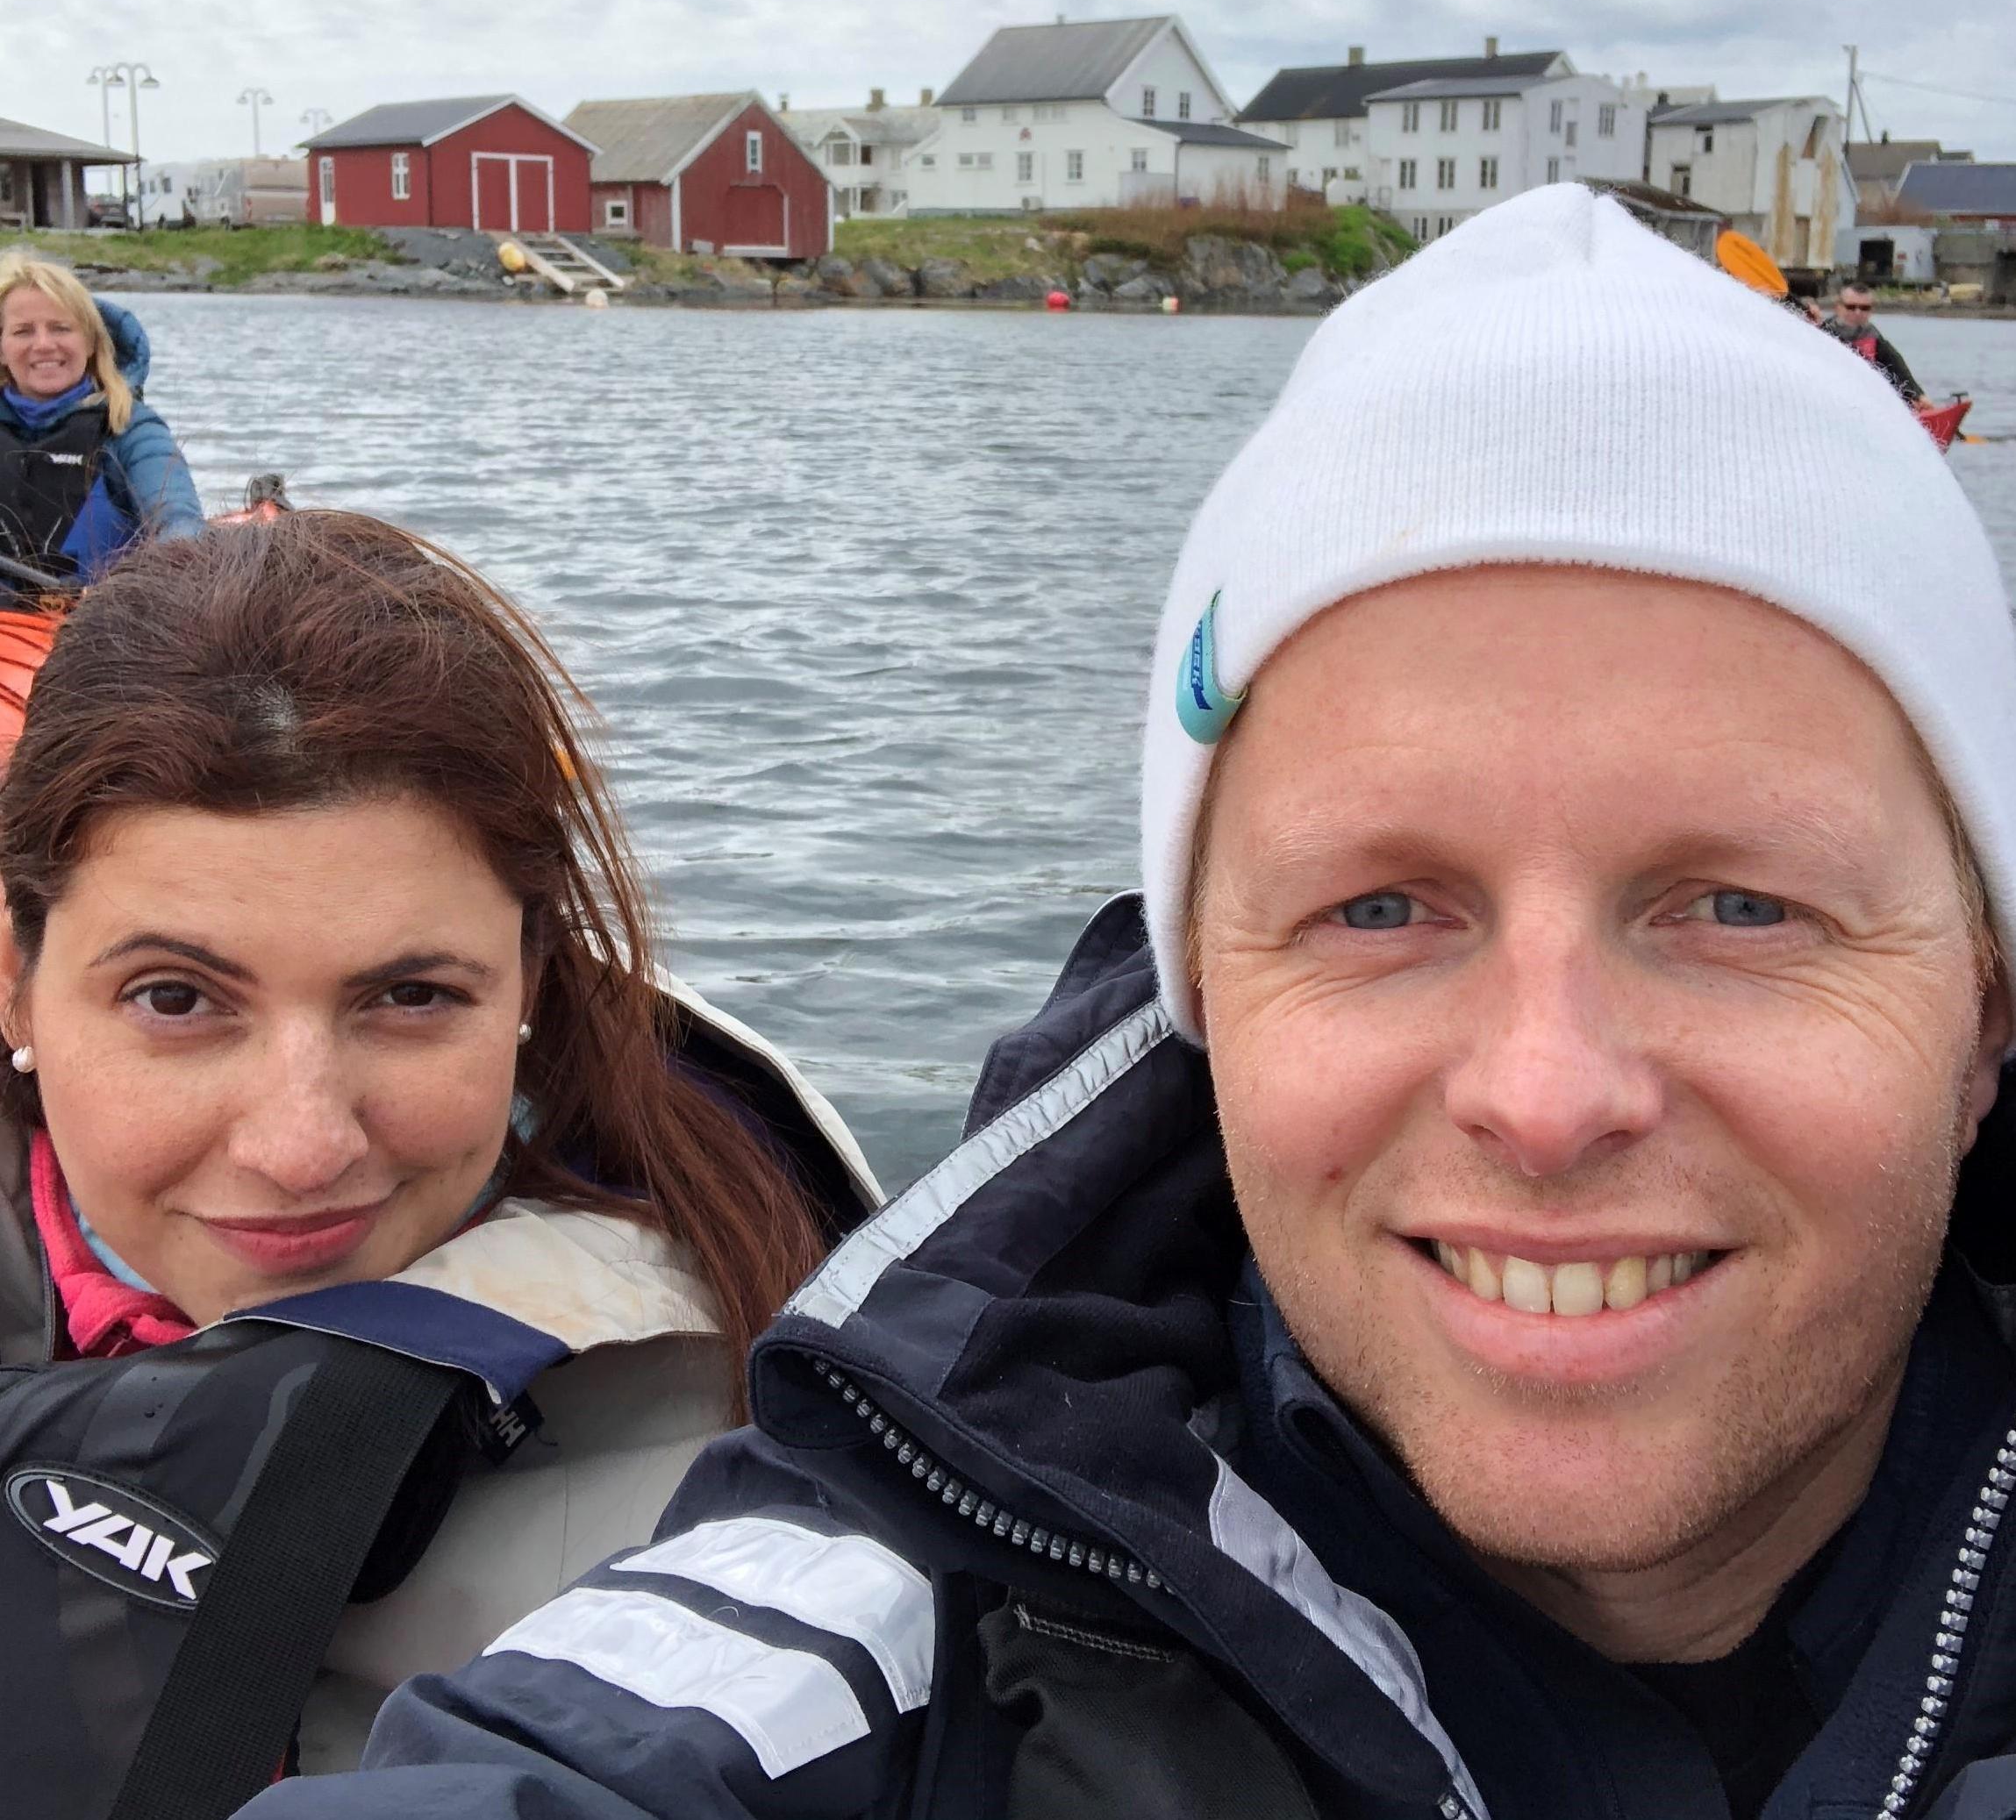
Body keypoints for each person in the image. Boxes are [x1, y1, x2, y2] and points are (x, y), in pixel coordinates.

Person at [241, 187, 2016, 1820]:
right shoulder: (853, 1662)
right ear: (1202, 1002)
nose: (1547, 1097)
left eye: (1743, 906)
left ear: (1988, 1003)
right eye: (1380, 907)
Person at [0, 510, 880, 1807]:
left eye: (409, 996)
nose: (301, 1146)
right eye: (177, 1000)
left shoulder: (754, 1492)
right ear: (17, 985)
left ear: (530, 978)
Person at [0, 253, 204, 586]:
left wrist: (161, 579)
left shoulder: (132, 429)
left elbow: (178, 520)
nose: (43, 345)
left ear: (92, 342)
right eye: (23, 331)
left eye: (60, 328)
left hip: (99, 623)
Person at [1805, 277, 1932, 409]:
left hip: (1863, 403)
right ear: (1838, 307)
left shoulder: (1875, 339)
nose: (1858, 312)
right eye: (1851, 307)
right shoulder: (1819, 332)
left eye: (1864, 308)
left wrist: (1918, 395)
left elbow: (1898, 369)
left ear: (1871, 311)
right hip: (1828, 398)